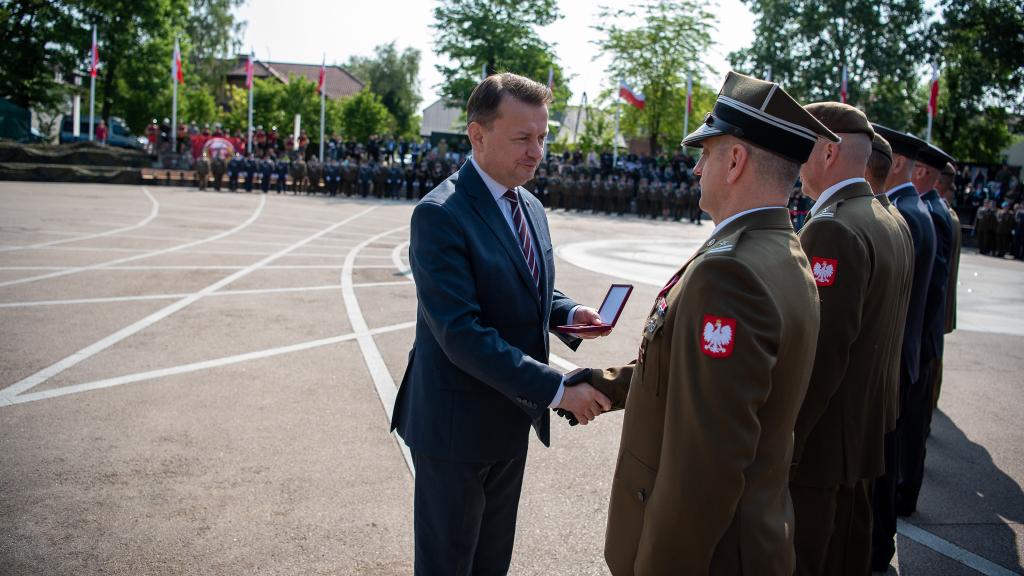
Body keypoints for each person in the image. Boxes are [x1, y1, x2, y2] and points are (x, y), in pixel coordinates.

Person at [580, 71, 828, 575]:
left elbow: (704, 467)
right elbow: (702, 375)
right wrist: (611, 382)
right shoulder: (777, 249)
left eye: (707, 153)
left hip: (712, 555)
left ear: (735, 161)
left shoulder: (729, 271)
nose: (696, 168)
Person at [391, 73, 612, 576]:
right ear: (477, 135)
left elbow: (525, 284)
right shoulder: (441, 214)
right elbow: (461, 334)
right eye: (522, 138)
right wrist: (558, 389)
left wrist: (567, 312)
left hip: (510, 419)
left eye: (543, 137)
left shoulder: (528, 203)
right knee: (449, 566)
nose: (537, 152)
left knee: (491, 563)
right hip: (455, 430)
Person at [786, 103, 907, 576]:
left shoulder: (833, 227)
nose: (796, 162)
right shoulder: (886, 217)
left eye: (803, 147)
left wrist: (788, 443)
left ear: (829, 152)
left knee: (811, 560)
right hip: (864, 434)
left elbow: (824, 353)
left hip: (823, 447)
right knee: (847, 557)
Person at [869, 124, 936, 572]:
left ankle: (877, 548)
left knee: (883, 469)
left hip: (894, 357)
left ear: (895, 163)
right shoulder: (913, 210)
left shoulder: (905, 213)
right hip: (906, 352)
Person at [935, 162, 961, 406]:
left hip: (939, 297)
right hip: (943, 298)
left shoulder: (944, 216)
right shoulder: (950, 215)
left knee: (933, 356)